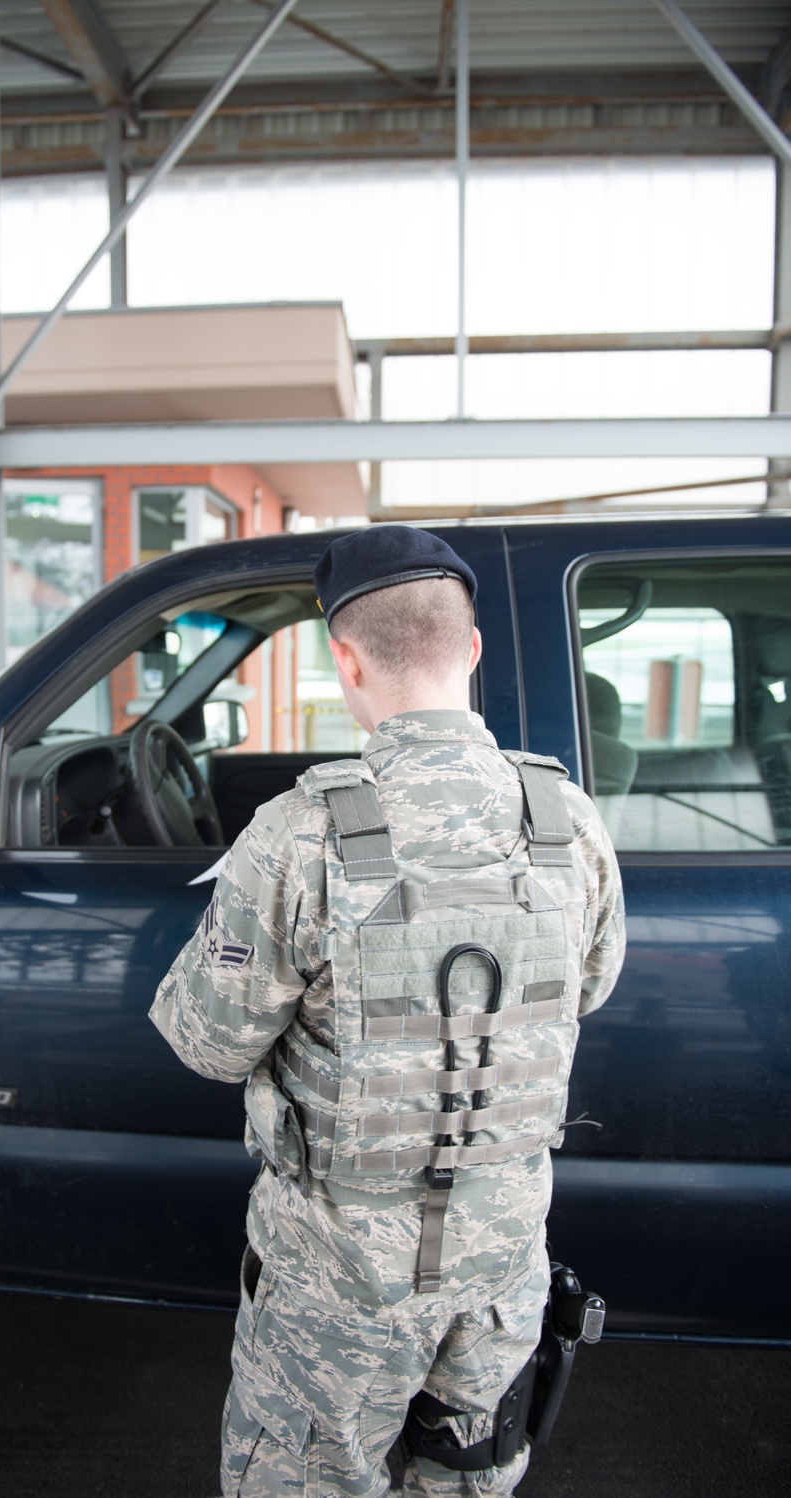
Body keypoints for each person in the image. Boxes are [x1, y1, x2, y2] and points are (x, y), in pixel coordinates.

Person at [150, 526, 625, 1498]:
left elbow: (206, 1039)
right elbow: (589, 986)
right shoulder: (566, 822)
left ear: (345, 659)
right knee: (465, 1478)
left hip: (337, 1289)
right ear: (475, 649)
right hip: (499, 1275)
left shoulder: (296, 836)